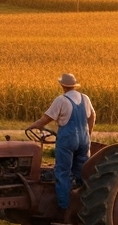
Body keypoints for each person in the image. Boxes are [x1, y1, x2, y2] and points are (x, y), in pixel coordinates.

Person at [29, 72, 96, 210]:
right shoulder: (85, 98)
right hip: (84, 140)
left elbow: (46, 118)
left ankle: (63, 207)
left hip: (67, 140)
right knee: (82, 172)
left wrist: (34, 125)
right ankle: (85, 206)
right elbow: (93, 116)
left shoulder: (61, 100)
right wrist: (88, 133)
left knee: (62, 172)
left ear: (62, 86)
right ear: (74, 86)